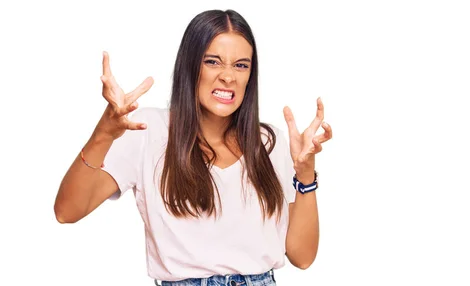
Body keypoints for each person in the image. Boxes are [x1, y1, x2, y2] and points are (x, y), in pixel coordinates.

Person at [53, 9, 332, 286]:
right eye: (213, 61)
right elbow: (67, 211)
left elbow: (302, 256)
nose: (228, 76)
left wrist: (305, 175)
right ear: (190, 65)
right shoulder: (146, 129)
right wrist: (103, 133)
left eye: (241, 65)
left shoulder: (267, 143)